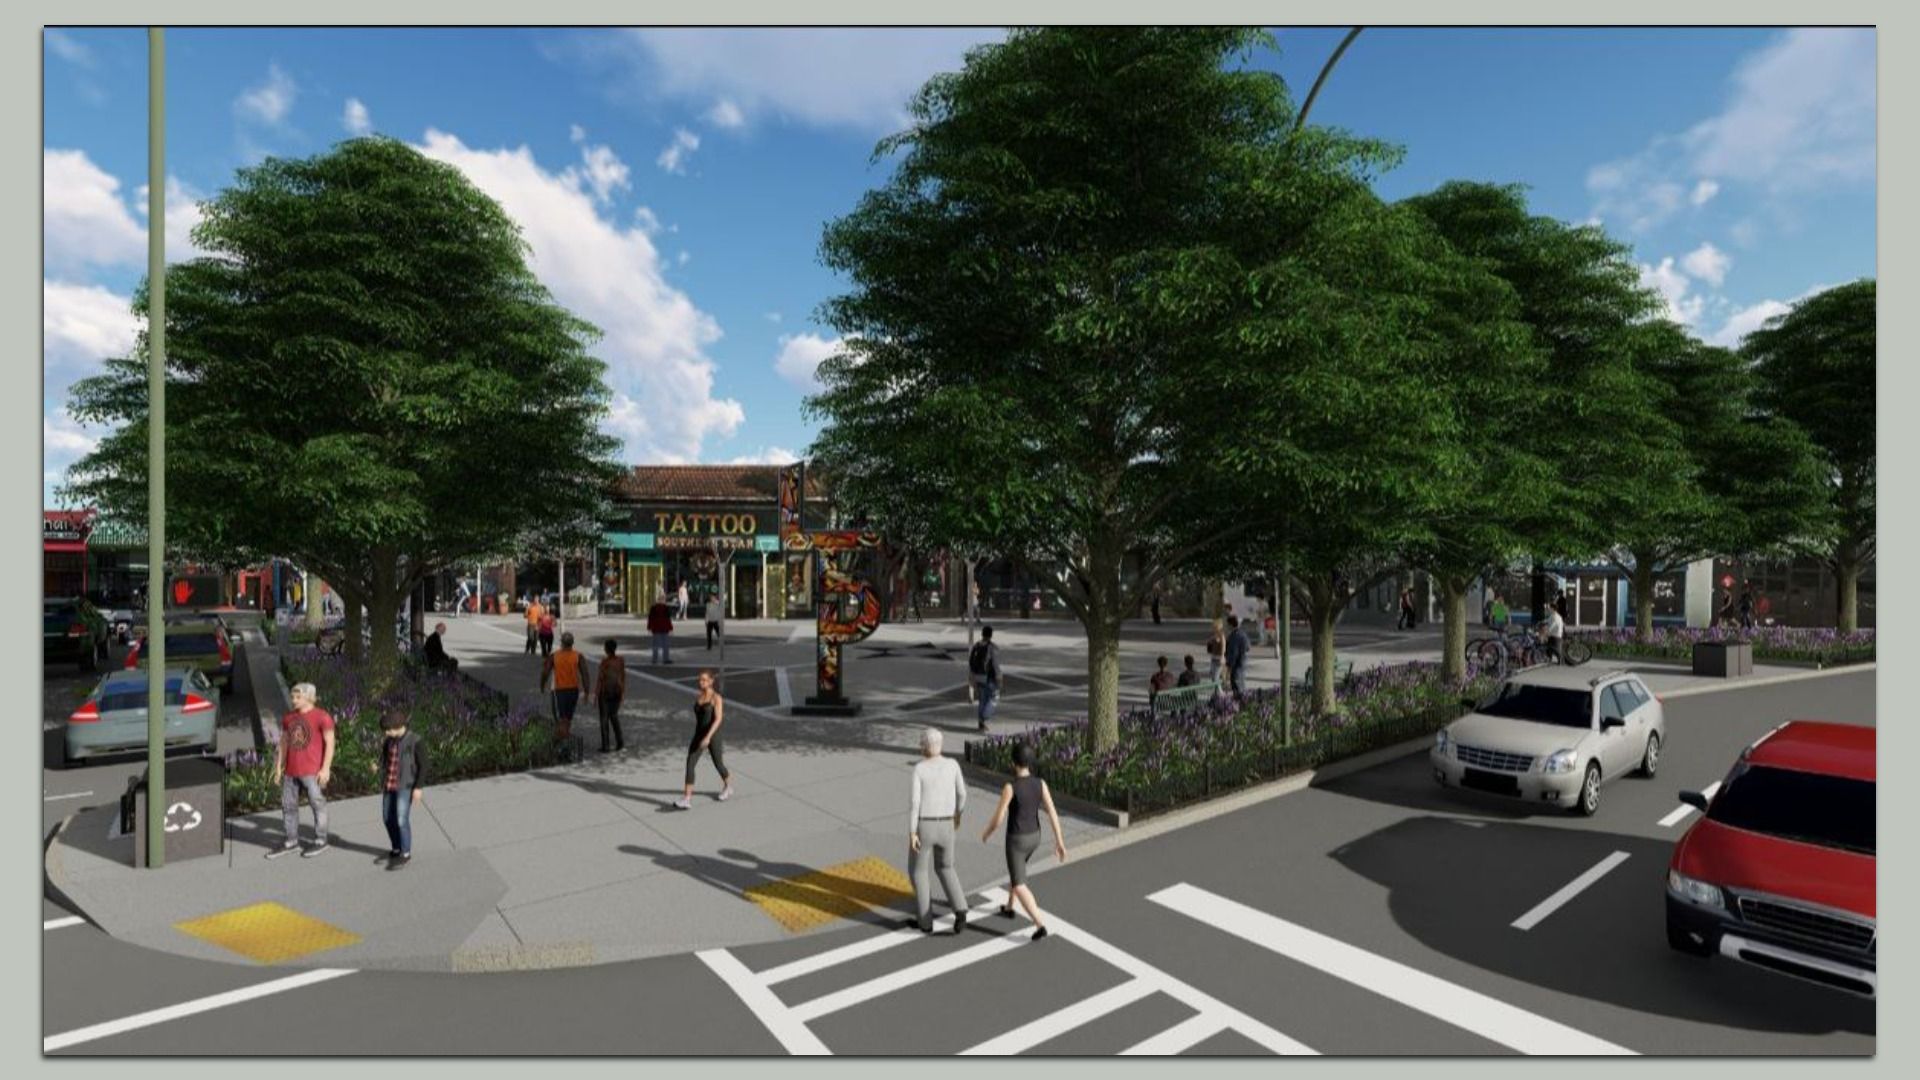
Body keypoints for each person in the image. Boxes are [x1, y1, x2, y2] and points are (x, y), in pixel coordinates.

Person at [980, 742, 1068, 941]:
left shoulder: (1010, 787)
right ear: (1030, 762)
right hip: (1035, 836)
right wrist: (1059, 841)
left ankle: (1039, 924)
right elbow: (1052, 812)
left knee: (1019, 883)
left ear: (1013, 763)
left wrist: (987, 833)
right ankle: (1010, 907)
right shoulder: (1041, 783)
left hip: (1016, 840)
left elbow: (999, 817)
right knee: (1017, 869)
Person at [908, 727, 969, 934]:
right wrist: (958, 814)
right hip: (947, 824)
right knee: (946, 867)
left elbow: (915, 803)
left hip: (925, 825)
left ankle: (925, 921)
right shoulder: (953, 765)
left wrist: (912, 832)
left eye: (921, 744)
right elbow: (962, 794)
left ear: (925, 746)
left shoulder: (919, 769)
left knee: (918, 871)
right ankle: (960, 910)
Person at [269, 682, 336, 859]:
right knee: (288, 807)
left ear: (309, 697)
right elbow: (283, 743)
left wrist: (326, 768)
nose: (293, 700)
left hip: (312, 772)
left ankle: (321, 840)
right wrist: (278, 767)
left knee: (317, 805)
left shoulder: (322, 717)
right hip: (291, 771)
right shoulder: (289, 718)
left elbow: (330, 743)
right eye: (292, 696)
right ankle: (291, 842)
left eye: (298, 697)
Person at [674, 670, 733, 809]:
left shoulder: (716, 698)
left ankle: (728, 786)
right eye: (700, 680)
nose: (701, 683)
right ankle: (687, 798)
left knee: (718, 763)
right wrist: (701, 736)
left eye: (704, 680)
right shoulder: (700, 696)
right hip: (698, 734)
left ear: (712, 681)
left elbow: (718, 719)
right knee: (690, 763)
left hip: (713, 735)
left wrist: (708, 737)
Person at [376, 708, 428, 868]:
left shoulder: (415, 740)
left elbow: (424, 765)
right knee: (387, 818)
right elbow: (385, 760)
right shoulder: (389, 741)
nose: (386, 733)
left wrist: (418, 787)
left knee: (401, 819)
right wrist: (378, 766)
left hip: (405, 786)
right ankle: (396, 848)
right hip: (389, 784)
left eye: (388, 730)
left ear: (398, 727)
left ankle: (405, 853)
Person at [541, 631, 587, 742]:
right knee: (568, 717)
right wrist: (587, 691)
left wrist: (542, 685)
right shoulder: (578, 656)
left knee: (561, 718)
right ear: (572, 643)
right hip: (573, 691)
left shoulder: (554, 656)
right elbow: (585, 674)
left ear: (561, 643)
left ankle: (563, 743)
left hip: (559, 691)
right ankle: (565, 738)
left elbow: (545, 672)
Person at [594, 637, 627, 753]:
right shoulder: (620, 661)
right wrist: (623, 692)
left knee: (604, 719)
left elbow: (600, 679)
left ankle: (606, 745)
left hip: (605, 693)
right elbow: (622, 676)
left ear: (606, 649)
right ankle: (620, 742)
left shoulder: (605, 662)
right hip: (617, 692)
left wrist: (595, 694)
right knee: (614, 717)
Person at [969, 625, 1001, 733]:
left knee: (982, 699)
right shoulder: (992, 647)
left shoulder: (976, 646)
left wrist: (972, 677)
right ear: (991, 635)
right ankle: (984, 717)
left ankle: (981, 723)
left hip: (978, 676)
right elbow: (996, 664)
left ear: (982, 634)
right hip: (989, 677)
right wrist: (999, 678)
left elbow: (971, 661)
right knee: (994, 697)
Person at [1224, 616, 1251, 696]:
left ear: (1231, 625)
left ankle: (1239, 703)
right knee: (1242, 684)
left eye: (1228, 625)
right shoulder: (1243, 634)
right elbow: (1248, 647)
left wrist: (1229, 666)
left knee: (1236, 686)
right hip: (1243, 663)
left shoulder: (1234, 636)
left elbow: (1233, 653)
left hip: (1236, 665)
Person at [647, 593, 675, 665]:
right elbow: (668, 619)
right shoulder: (665, 608)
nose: (664, 600)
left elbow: (650, 619)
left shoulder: (653, 608)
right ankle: (665, 659)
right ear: (662, 600)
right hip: (664, 628)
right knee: (665, 644)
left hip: (656, 628)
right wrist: (671, 628)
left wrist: (649, 628)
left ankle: (654, 659)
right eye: (663, 599)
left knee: (655, 645)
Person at [706, 582, 726, 650]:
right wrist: (706, 620)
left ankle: (721, 643)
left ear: (715, 598)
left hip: (715, 621)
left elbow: (721, 609)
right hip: (710, 621)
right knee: (709, 635)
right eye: (711, 597)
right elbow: (707, 613)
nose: (712, 598)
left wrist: (720, 620)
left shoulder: (717, 604)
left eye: (713, 597)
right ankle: (709, 646)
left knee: (718, 633)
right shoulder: (708, 604)